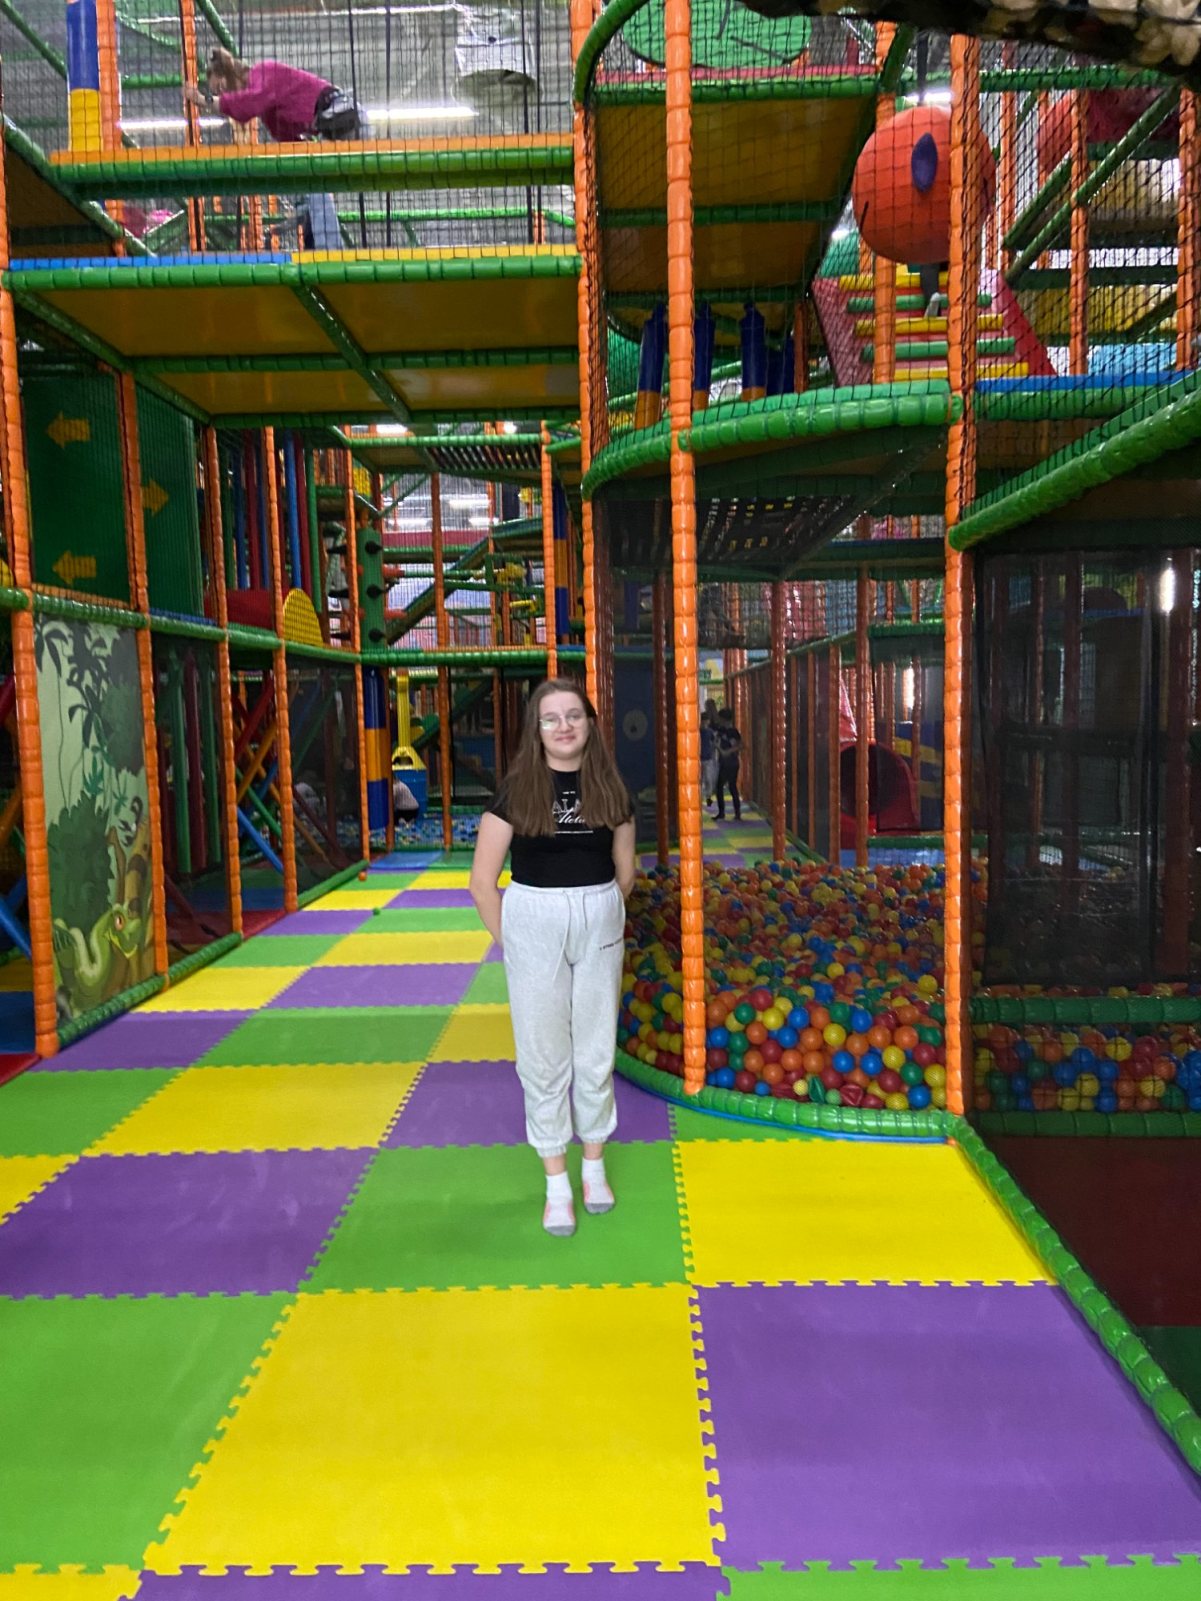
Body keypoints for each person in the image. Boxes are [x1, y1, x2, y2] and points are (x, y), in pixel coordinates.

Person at [470, 679, 636, 1238]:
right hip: (533, 919)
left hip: (599, 916)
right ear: (536, 730)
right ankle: (556, 1184)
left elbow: (625, 872)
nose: (563, 726)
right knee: (543, 1059)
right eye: (550, 718)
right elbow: (482, 883)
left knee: (595, 1052)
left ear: (589, 724)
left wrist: (599, 915)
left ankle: (594, 1167)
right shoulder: (515, 791)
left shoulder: (611, 789)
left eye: (573, 716)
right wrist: (516, 945)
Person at [184, 48, 360, 248]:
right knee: (310, 186)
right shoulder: (270, 115)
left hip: (344, 118)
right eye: (217, 93)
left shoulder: (263, 72)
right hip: (332, 130)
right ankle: (315, 243)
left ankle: (328, 249)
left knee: (316, 186)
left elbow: (248, 104)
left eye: (220, 87)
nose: (222, 94)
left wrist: (204, 100)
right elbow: (291, 144)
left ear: (230, 74)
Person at [714, 706, 743, 822]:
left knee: (732, 787)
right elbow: (716, 740)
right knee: (719, 786)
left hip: (732, 763)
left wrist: (728, 751)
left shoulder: (733, 732)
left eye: (721, 719)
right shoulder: (721, 730)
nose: (719, 721)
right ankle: (721, 812)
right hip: (723, 762)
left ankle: (737, 812)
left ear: (725, 719)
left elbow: (740, 745)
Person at [700, 699, 719, 811]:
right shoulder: (698, 731)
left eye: (705, 721)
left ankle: (708, 798)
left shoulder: (710, 732)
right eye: (702, 721)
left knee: (708, 779)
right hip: (701, 758)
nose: (704, 723)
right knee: (701, 779)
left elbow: (714, 741)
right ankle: (701, 798)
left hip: (708, 758)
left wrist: (714, 747)